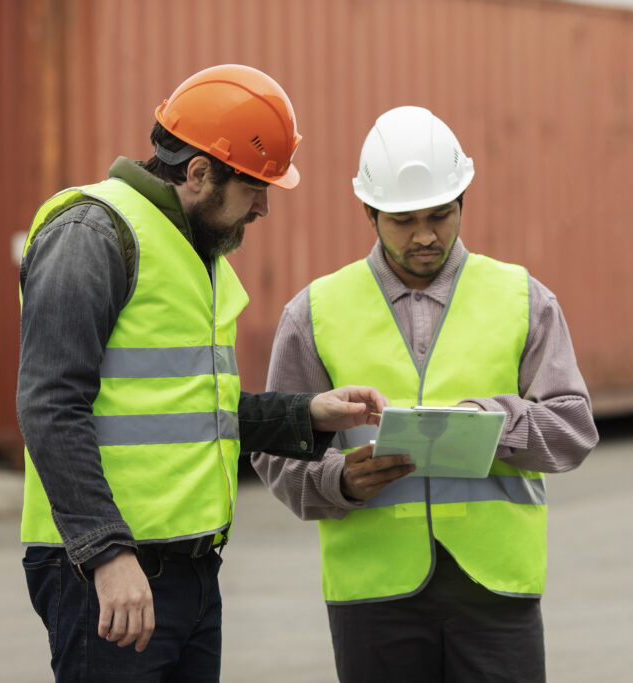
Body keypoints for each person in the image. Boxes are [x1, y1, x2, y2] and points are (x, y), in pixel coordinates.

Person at [16, 64, 388, 683]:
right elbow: (50, 405)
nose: (265, 207)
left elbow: (186, 410)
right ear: (198, 173)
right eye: (255, 188)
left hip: (190, 572)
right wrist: (107, 554)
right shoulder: (93, 233)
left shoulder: (190, 249)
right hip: (110, 575)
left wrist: (306, 413)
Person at [252, 105, 600, 682]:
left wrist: (492, 422)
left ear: (463, 202)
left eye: (440, 216)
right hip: (372, 593)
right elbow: (274, 449)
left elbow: (574, 429)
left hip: (495, 592)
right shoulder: (315, 312)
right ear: (369, 213)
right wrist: (336, 481)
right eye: (402, 219)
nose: (424, 236)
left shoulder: (522, 299)